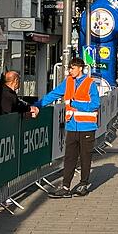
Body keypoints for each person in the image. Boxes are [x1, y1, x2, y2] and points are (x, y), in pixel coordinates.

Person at [30, 58, 99, 198]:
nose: (69, 71)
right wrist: (37, 105)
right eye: (69, 68)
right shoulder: (68, 82)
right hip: (72, 126)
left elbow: (95, 104)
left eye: (72, 68)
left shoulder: (90, 83)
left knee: (85, 157)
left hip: (87, 126)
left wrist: (74, 103)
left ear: (80, 68)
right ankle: (65, 186)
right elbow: (53, 94)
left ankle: (83, 184)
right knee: (69, 158)